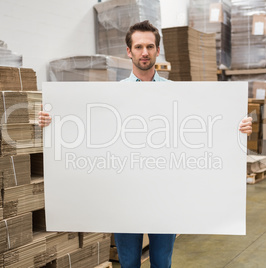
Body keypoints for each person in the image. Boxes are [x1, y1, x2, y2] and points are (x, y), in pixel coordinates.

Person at [39, 20, 252, 268]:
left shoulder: (177, 94)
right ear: (129, 51)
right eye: (138, 47)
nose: (144, 52)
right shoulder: (113, 96)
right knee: (129, 264)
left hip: (164, 195)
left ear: (157, 50)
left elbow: (202, 130)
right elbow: (88, 129)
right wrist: (53, 122)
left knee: (162, 263)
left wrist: (236, 128)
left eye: (150, 46)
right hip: (125, 195)